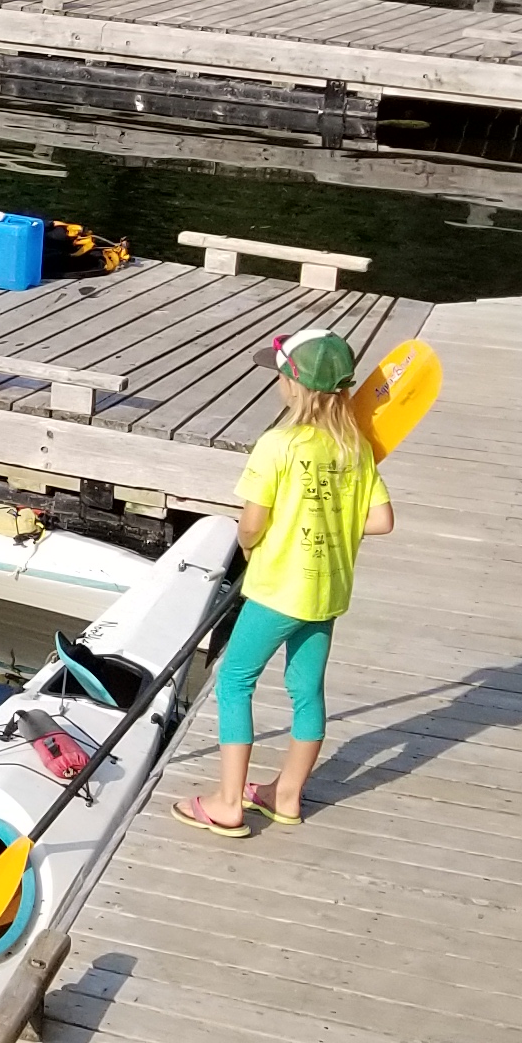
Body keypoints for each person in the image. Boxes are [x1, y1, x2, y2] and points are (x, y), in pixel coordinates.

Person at [175, 330, 395, 838]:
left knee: (235, 681)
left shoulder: (277, 445)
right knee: (306, 690)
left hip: (278, 589)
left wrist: (250, 547)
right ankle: (287, 795)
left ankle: (228, 803)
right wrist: (333, 522)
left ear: (294, 385)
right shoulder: (357, 449)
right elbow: (382, 520)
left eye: (280, 374)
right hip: (327, 591)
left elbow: (251, 523)